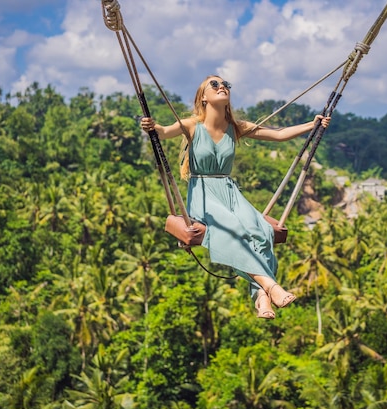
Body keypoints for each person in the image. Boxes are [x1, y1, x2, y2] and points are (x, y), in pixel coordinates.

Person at [141, 75, 330, 320]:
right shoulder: (191, 125)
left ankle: (261, 297)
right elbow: (164, 132)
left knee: (261, 230)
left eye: (226, 85)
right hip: (203, 192)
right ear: (203, 97)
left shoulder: (236, 127)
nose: (222, 87)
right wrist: (151, 127)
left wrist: (311, 125)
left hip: (230, 191)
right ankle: (270, 286)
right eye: (215, 85)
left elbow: (280, 134)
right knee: (232, 229)